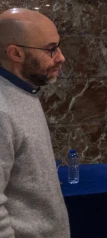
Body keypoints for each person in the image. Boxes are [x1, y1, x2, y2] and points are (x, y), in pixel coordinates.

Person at [0, 8, 69, 238]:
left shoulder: (24, 91)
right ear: (15, 53)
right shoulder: (2, 110)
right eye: (51, 49)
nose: (61, 57)